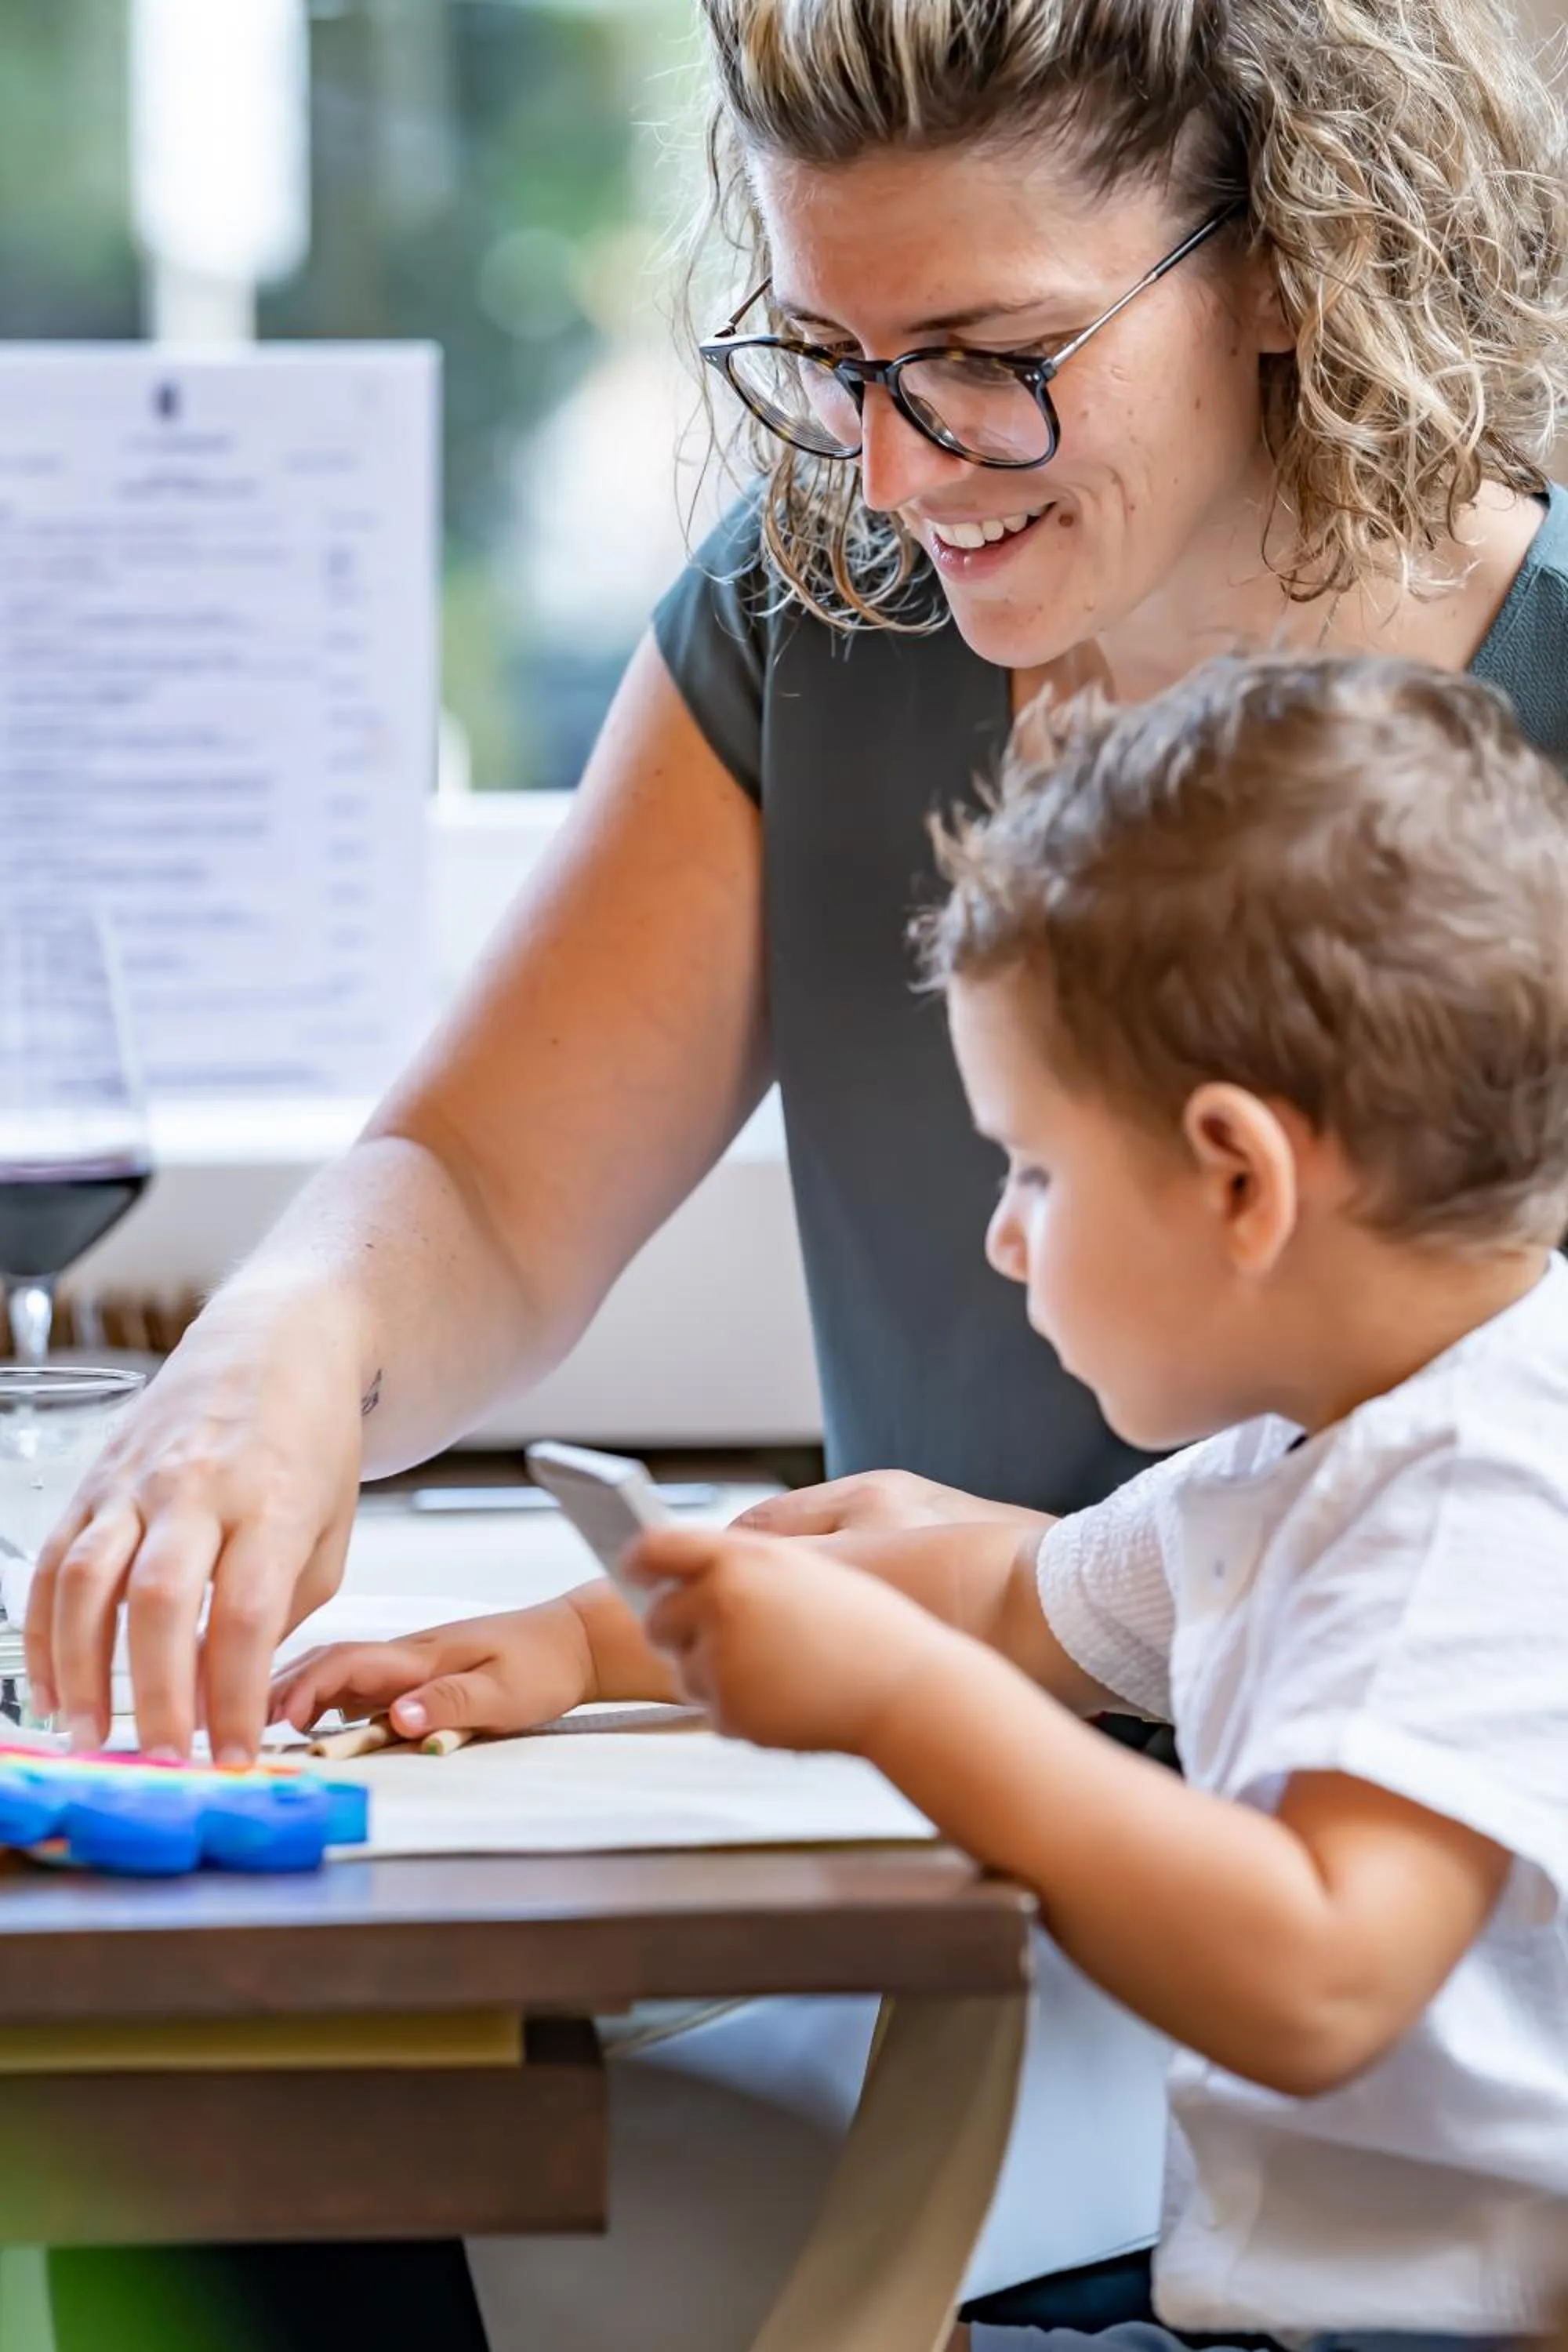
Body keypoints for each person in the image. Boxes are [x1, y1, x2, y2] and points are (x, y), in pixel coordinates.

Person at [27, 0, 1568, 2340]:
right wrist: (286, 1350)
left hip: (1363, 1999)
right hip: (926, 1861)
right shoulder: (823, 604)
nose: (900, 461)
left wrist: (906, 1668)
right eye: (822, 355)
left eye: (983, 352)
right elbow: (487, 1185)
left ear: (1289, 258)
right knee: (251, 2134)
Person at [621, 652, 1568, 2348]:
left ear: (1237, 1177)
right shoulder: (1327, 1449)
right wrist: (589, 1634)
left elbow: (1318, 1979)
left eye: (1034, 1169)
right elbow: (1004, 1594)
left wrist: (907, 1713)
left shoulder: (1472, 1502)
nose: (1001, 1234)